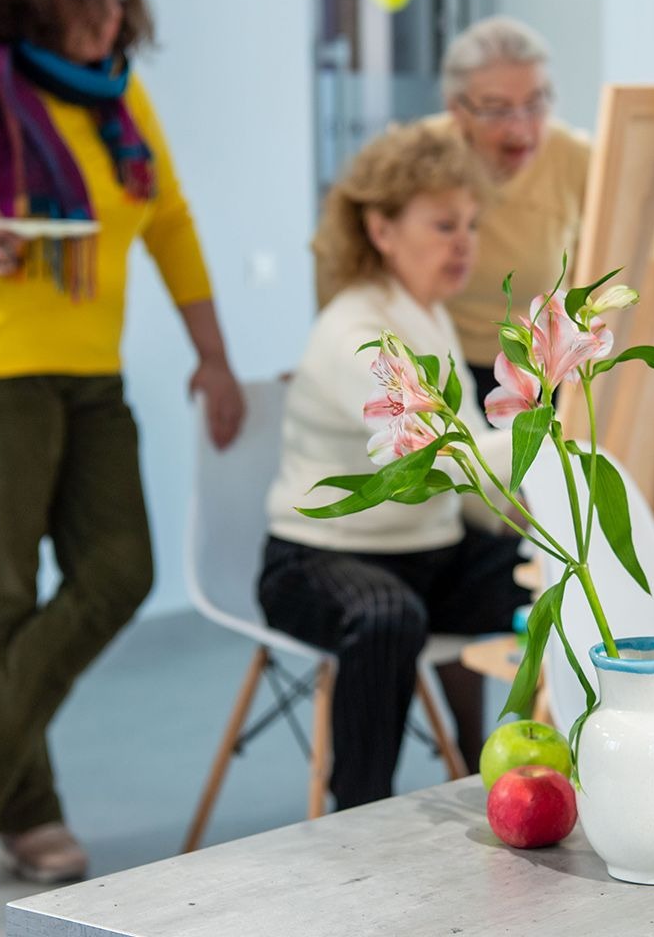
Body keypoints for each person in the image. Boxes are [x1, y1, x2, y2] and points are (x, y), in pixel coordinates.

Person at [0, 0, 246, 892]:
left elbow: (169, 221)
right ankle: (26, 817)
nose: (111, 13)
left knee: (121, 568)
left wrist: (215, 355)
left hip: (84, 370)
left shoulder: (118, 99)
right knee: (0, 595)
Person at [262, 126, 527, 810]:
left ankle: (512, 771)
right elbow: (448, 452)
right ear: (380, 229)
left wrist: (536, 528)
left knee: (555, 580)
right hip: (317, 561)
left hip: (427, 555)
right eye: (443, 225)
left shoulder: (429, 316)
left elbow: (469, 474)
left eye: (470, 223)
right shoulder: (354, 332)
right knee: (385, 617)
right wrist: (557, 446)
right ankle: (361, 814)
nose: (464, 242)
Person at [419, 16, 593, 405]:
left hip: (543, 373)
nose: (521, 128)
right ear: (456, 109)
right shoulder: (419, 156)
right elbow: (340, 252)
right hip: (438, 365)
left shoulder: (576, 158)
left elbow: (605, 267)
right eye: (497, 109)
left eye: (536, 103)